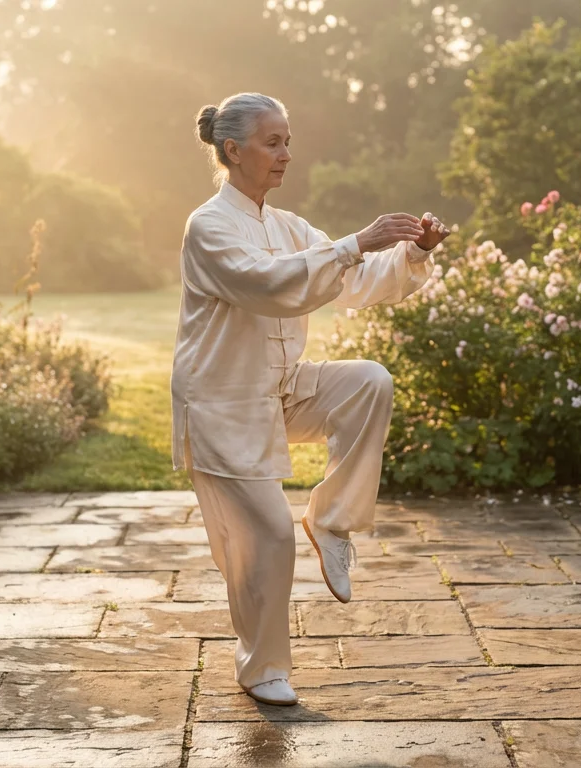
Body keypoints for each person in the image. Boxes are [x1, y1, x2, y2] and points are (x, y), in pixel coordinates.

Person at [171, 92, 449, 706]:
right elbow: (270, 287)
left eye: (288, 141)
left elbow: (355, 281)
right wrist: (355, 239)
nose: (286, 155)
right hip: (221, 407)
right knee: (266, 537)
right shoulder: (209, 226)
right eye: (273, 143)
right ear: (232, 150)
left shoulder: (289, 226)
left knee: (370, 380)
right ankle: (261, 666)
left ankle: (331, 520)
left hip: (282, 390)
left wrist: (413, 252)